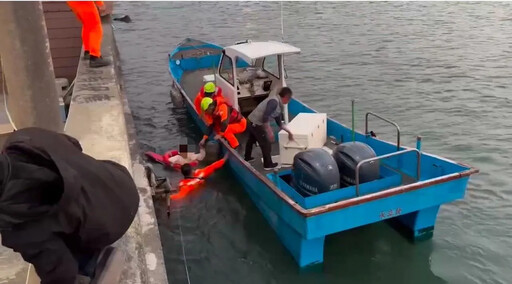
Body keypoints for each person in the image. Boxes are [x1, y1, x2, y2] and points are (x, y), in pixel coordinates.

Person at [0, 127, 139, 283]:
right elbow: (74, 144)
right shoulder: (22, 139)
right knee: (58, 220)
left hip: (111, 225)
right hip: (120, 181)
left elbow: (61, 275)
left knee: (52, 248)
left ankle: (93, 262)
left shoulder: (16, 226)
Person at [244, 87, 294, 170]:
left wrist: (289, 132)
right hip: (255, 122)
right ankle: (268, 164)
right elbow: (265, 117)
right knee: (266, 143)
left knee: (251, 139)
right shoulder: (274, 102)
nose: (289, 101)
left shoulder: (278, 105)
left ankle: (247, 157)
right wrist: (269, 131)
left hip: (250, 120)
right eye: (289, 99)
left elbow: (279, 123)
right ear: (286, 97)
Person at [67, 1, 110, 68]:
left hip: (73, 2)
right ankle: (95, 57)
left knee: (87, 24)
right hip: (85, 3)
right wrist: (100, 3)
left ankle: (88, 52)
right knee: (95, 27)